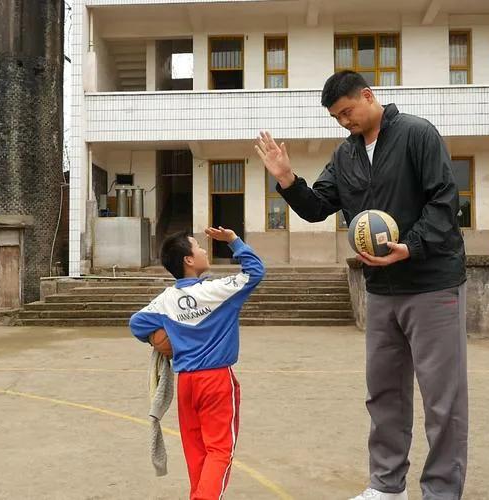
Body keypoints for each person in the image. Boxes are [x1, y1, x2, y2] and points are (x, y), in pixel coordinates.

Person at [255, 70, 468, 500]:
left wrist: (410, 245)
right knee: (384, 393)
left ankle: (441, 491)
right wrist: (286, 179)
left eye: (347, 112)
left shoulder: (417, 134)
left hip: (431, 284)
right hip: (381, 289)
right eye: (337, 118)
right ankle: (387, 487)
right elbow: (318, 208)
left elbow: (446, 202)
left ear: (368, 96)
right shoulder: (345, 156)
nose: (344, 122)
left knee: (442, 399)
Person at [129, 227, 265, 500]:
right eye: (198, 247)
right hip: (216, 380)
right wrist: (233, 241)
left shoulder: (165, 300)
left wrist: (161, 341)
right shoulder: (217, 290)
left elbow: (136, 324)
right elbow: (255, 272)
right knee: (220, 450)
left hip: (187, 383)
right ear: (189, 260)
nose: (204, 250)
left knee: (196, 450)